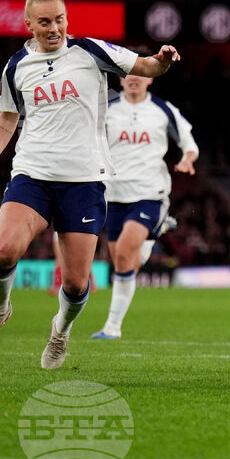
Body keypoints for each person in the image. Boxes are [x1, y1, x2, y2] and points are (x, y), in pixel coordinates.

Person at [0, 0, 180, 369]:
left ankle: (60, 331)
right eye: (45, 21)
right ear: (29, 25)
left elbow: (147, 67)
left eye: (60, 19)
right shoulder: (16, 65)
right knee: (3, 251)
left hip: (84, 182)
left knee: (76, 284)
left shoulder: (90, 52)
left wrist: (163, 61)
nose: (54, 28)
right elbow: (7, 117)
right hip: (32, 174)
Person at [91, 71, 198, 340]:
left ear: (150, 79)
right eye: (129, 73)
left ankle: (112, 327)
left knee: (126, 253)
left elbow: (189, 144)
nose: (134, 78)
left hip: (150, 192)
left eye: (141, 73)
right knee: (124, 262)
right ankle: (155, 234)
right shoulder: (107, 108)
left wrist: (187, 159)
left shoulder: (163, 110)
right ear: (120, 79)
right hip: (114, 195)